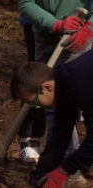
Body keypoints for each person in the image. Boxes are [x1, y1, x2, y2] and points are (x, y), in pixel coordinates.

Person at [13, 0, 93, 168]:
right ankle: (65, 164)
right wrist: (56, 24)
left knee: (80, 101)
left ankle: (79, 161)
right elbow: (25, 3)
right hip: (46, 39)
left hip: (81, 42)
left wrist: (89, 27)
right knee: (51, 104)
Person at [9, 50, 93, 188]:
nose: (37, 107)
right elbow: (59, 137)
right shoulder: (63, 84)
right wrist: (37, 179)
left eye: (34, 103)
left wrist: (64, 171)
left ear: (46, 87)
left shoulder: (80, 84)